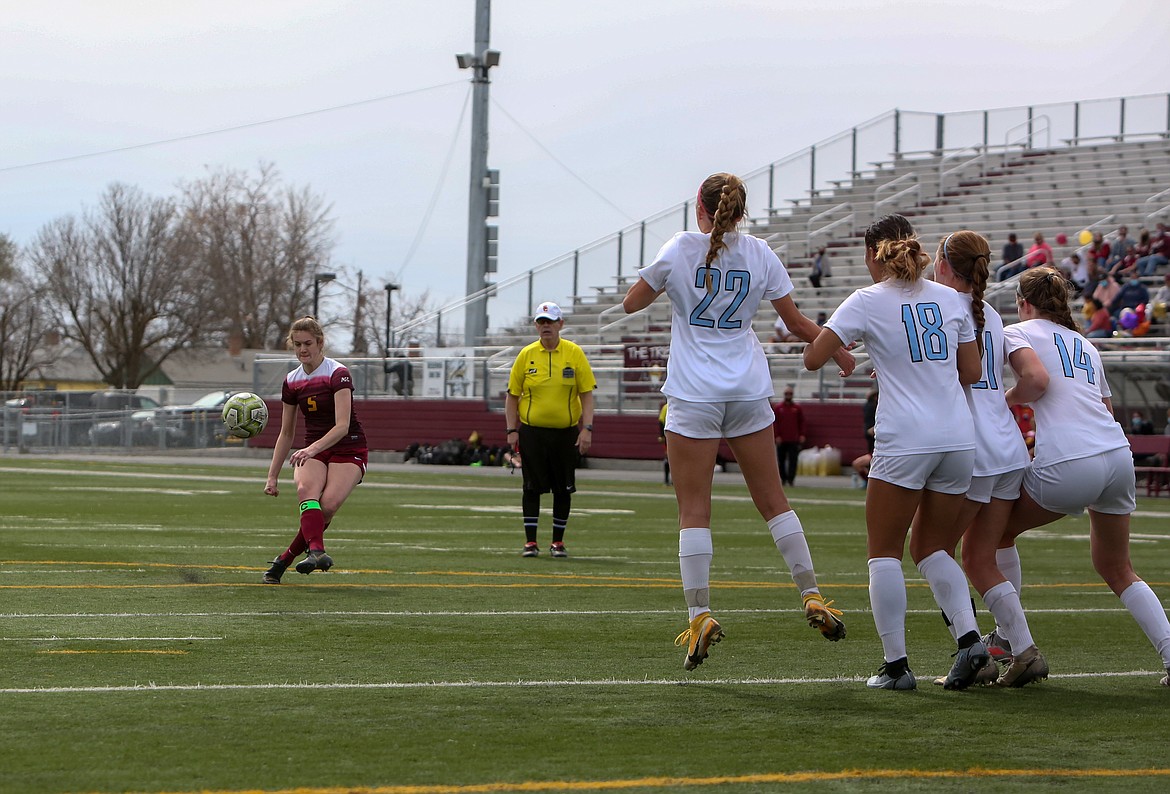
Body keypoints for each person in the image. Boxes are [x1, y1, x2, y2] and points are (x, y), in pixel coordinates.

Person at [622, 171, 852, 671]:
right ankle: (811, 593)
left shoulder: (681, 246)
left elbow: (631, 303)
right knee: (774, 501)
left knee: (694, 511)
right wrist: (839, 354)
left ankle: (700, 614)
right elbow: (795, 324)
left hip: (693, 393)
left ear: (700, 208)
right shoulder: (760, 252)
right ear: (741, 211)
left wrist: (671, 283)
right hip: (748, 388)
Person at [803, 214, 984, 691]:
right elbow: (970, 371)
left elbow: (813, 357)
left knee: (884, 553)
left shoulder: (866, 300)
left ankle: (897, 666)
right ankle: (969, 639)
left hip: (906, 437)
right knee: (934, 548)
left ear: (872, 254)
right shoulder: (952, 299)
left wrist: (863, 351)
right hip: (958, 438)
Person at [1000, 267, 1170, 687]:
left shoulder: (1016, 332)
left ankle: (1009, 641)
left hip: (1073, 461)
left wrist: (1003, 402)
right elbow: (1105, 411)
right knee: (1118, 568)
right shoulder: (1085, 344)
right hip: (1116, 457)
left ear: (1024, 303)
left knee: (994, 535)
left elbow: (1034, 383)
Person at [928, 230, 1039, 688]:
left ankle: (971, 650)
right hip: (1006, 445)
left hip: (974, 448)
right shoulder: (990, 312)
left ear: (944, 265)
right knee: (979, 556)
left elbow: (947, 375)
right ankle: (1022, 648)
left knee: (933, 549)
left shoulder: (947, 307)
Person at [263, 316, 369, 583]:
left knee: (328, 506)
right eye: (297, 344)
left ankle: (283, 560)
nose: (302, 350)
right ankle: (317, 551)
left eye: (308, 343)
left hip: (348, 446)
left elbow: (342, 426)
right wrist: (272, 476)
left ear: (320, 343)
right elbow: (286, 433)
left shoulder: (338, 373)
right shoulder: (291, 381)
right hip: (314, 449)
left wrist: (310, 449)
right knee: (305, 490)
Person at [504, 301, 596, 559]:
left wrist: (586, 428)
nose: (546, 327)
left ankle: (558, 541)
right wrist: (511, 430)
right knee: (531, 487)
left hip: (565, 432)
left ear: (560, 325)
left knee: (563, 487)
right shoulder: (526, 355)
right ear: (536, 325)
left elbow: (586, 394)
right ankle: (530, 542)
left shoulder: (574, 353)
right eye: (541, 322)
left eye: (550, 322)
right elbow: (512, 395)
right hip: (532, 432)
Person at [772, 387, 805, 487]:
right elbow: (775, 423)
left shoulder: (797, 408)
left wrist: (802, 435)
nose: (788, 396)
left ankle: (791, 479)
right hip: (782, 439)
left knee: (793, 460)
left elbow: (802, 422)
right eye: (787, 393)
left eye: (790, 394)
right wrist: (777, 436)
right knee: (781, 460)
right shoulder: (778, 408)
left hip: (793, 439)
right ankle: (782, 479)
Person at [851, 387, 879, 488]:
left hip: (878, 451)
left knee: (857, 464)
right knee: (857, 464)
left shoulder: (876, 409)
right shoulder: (870, 408)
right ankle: (869, 483)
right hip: (872, 449)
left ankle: (871, 484)